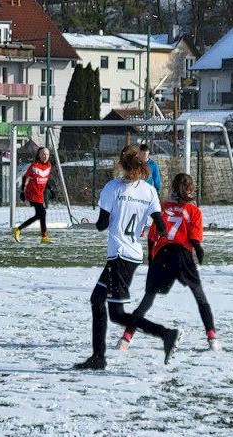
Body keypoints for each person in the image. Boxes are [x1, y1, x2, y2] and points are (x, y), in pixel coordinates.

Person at [74, 145, 181, 371]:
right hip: (132, 255)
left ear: (121, 164)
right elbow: (161, 227)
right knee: (97, 300)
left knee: (117, 314)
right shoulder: (148, 191)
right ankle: (98, 357)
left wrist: (109, 217)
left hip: (120, 255)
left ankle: (166, 334)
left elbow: (102, 226)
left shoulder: (112, 188)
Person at [118, 173, 218, 352]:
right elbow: (195, 240)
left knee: (147, 300)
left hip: (162, 255)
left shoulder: (162, 207)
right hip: (182, 256)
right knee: (200, 297)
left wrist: (151, 259)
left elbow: (152, 237)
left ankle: (125, 339)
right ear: (190, 189)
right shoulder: (194, 211)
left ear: (172, 188)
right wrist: (198, 250)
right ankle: (212, 338)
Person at [13, 146, 56, 244]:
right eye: (43, 154)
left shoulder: (49, 165)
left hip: (40, 193)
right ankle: (43, 236)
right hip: (32, 192)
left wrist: (51, 190)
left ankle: (19, 229)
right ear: (39, 155)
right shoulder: (34, 165)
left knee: (39, 215)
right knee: (42, 213)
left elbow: (46, 179)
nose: (45, 156)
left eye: (47, 154)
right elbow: (25, 177)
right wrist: (22, 191)